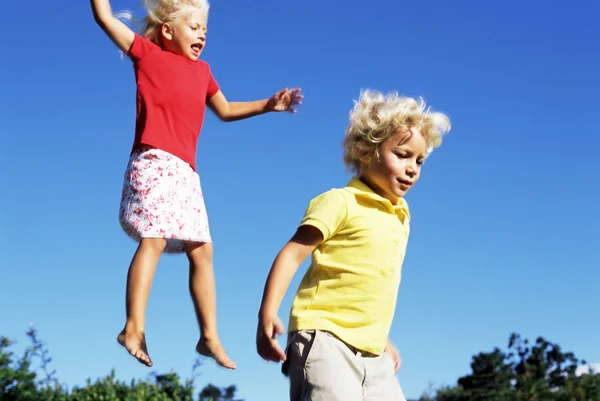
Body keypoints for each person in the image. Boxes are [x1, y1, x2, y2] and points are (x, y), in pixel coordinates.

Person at [90, 0, 303, 369]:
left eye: (205, 27)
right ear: (169, 31)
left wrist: (268, 105)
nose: (202, 33)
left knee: (202, 251)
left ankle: (209, 337)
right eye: (194, 26)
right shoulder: (148, 55)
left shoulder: (203, 71)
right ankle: (133, 327)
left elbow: (225, 110)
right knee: (153, 238)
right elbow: (105, 17)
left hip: (186, 172)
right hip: (153, 160)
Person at [256, 89, 450, 400]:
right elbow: (292, 255)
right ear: (364, 150)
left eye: (419, 160)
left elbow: (372, 285)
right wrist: (267, 314)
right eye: (401, 155)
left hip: (372, 353)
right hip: (323, 338)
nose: (412, 168)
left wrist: (379, 337)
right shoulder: (340, 202)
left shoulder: (401, 215)